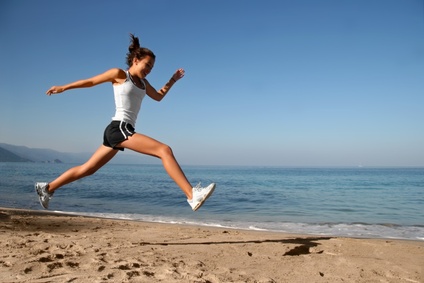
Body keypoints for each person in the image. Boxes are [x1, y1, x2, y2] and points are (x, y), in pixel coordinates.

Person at [35, 34, 215, 212]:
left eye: (152, 67)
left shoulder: (144, 83)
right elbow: (91, 82)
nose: (149, 70)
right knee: (164, 150)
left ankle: (47, 188)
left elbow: (158, 96)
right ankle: (192, 195)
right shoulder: (120, 74)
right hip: (119, 127)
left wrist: (173, 80)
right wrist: (63, 87)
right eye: (147, 65)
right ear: (136, 60)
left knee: (88, 169)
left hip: (119, 130)